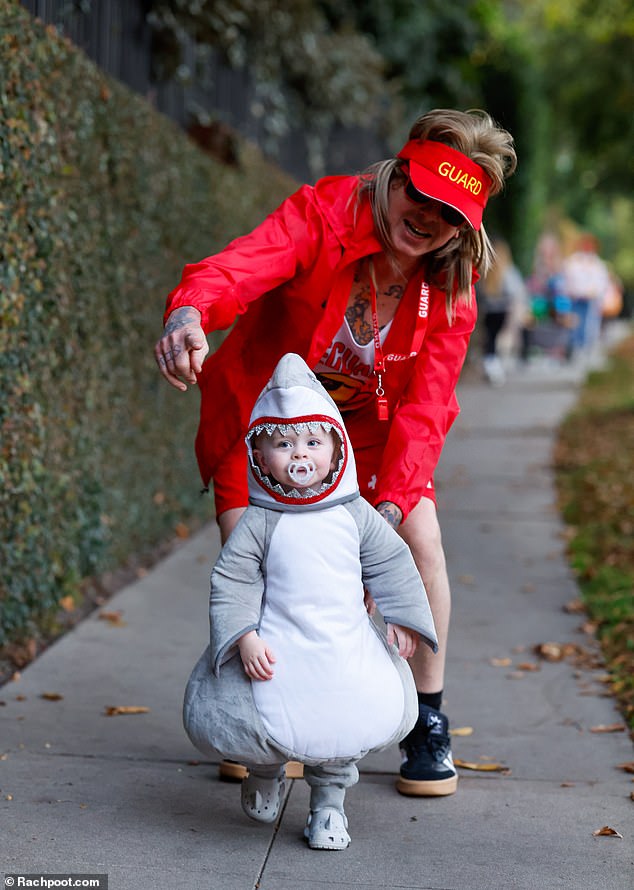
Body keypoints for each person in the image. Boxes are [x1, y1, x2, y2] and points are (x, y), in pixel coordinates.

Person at [155, 108, 517, 797]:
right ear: (397, 173)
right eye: (419, 194)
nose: (426, 218)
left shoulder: (452, 292)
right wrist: (189, 312)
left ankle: (427, 717)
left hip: (374, 438)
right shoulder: (322, 214)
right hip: (271, 424)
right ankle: (254, 718)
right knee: (260, 558)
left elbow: (428, 407)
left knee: (421, 539)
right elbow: (238, 268)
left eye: (450, 214)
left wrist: (385, 507)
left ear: (465, 227)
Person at [183, 352, 438, 850]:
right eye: (282, 443)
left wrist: (403, 618)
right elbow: (231, 579)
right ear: (259, 453)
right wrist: (243, 635)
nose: (299, 455)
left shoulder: (355, 514)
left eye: (312, 441)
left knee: (341, 727)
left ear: (336, 447)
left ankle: (328, 807)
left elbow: (391, 561)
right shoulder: (259, 522)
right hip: (275, 648)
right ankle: (264, 771)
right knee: (266, 722)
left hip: (343, 646)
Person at [476, 237, 528, 385]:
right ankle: (495, 366)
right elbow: (516, 293)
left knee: (490, 340)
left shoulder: (486, 270)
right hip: (504, 311)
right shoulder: (509, 272)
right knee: (502, 341)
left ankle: (491, 365)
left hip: (489, 311)